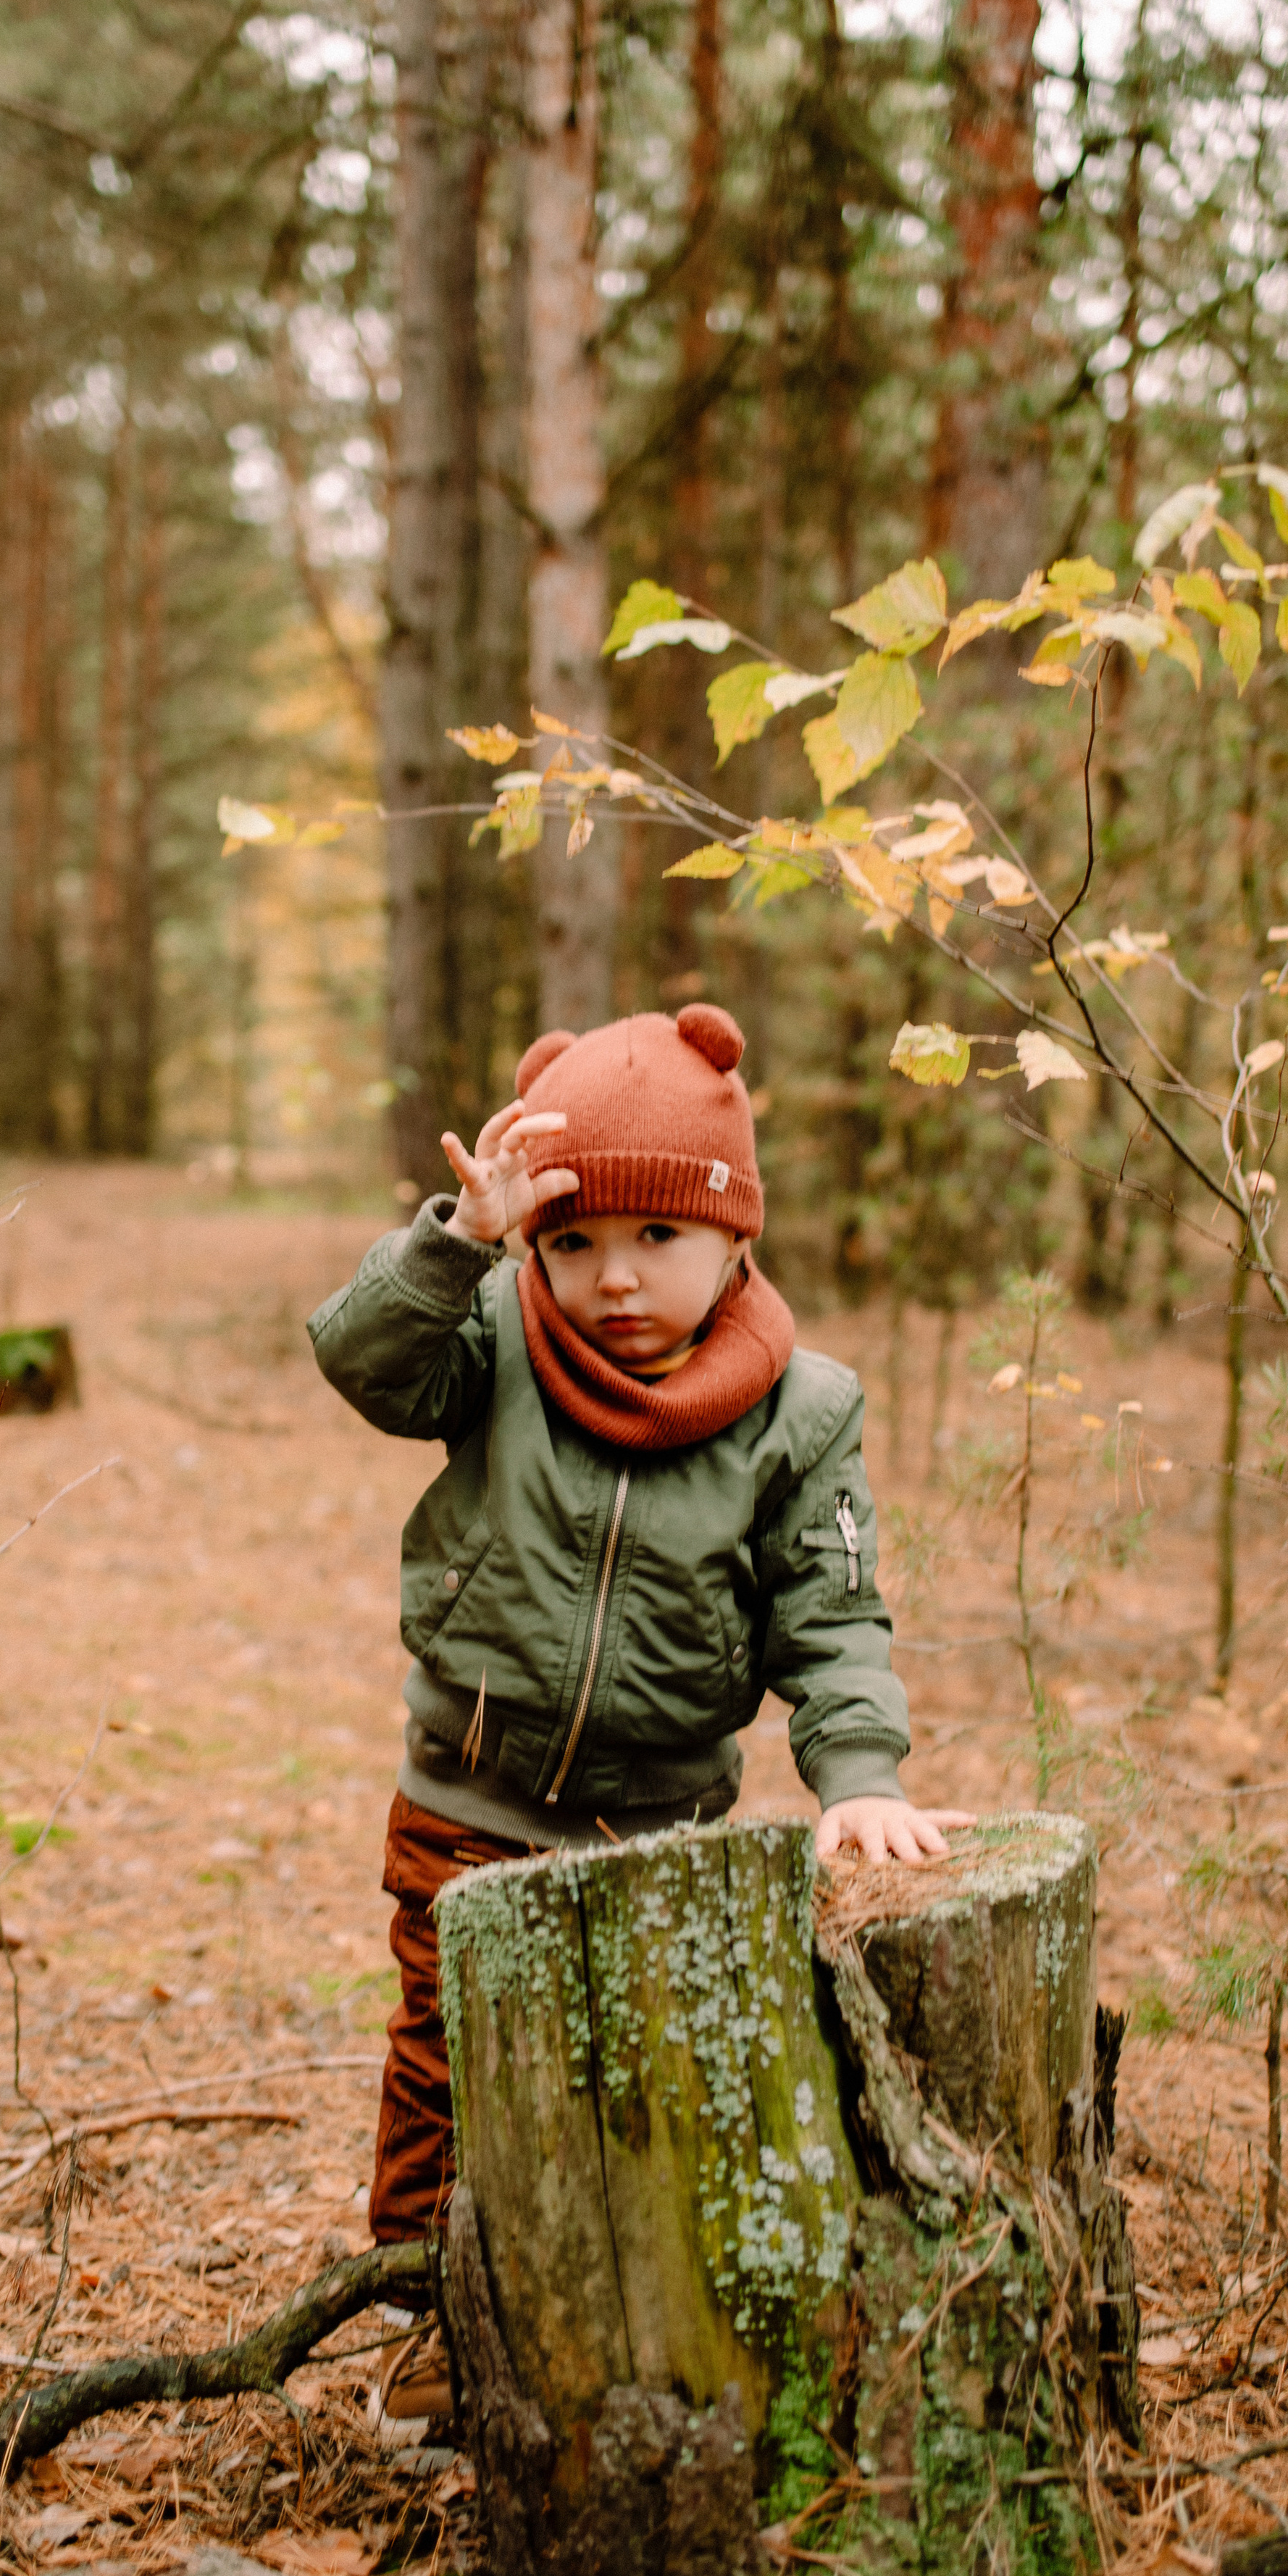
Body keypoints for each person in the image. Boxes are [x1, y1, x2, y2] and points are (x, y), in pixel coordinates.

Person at [308, 1003, 969, 2417]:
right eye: (572, 1242)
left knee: (630, 2076)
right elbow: (363, 1363)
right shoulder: (489, 1335)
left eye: (654, 1240)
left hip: (656, 1824)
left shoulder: (803, 1412)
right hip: (467, 1800)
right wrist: (454, 1244)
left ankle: (622, 2322)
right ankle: (429, 2315)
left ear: (736, 1238)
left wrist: (858, 1771)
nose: (611, 1281)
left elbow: (830, 1614)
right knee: (443, 2061)